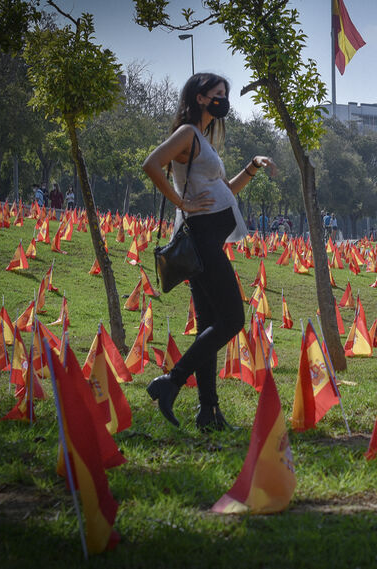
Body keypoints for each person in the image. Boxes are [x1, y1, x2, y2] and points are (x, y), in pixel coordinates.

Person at [142, 72, 276, 431]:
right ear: (200, 98)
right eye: (217, 94)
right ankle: (171, 382)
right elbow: (151, 164)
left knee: (208, 325)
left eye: (224, 94)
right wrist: (180, 201)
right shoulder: (187, 133)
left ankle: (208, 412)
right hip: (200, 239)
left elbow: (225, 189)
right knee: (232, 321)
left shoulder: (203, 138)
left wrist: (253, 165)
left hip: (209, 239)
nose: (223, 100)